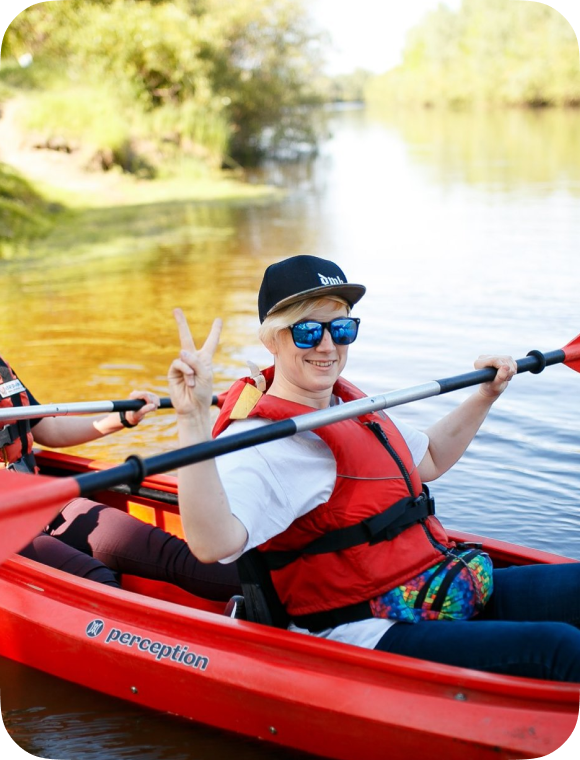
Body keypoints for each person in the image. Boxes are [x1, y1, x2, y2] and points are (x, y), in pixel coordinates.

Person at [167, 254, 580, 682]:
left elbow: (431, 458)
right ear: (272, 340)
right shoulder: (261, 442)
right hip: (364, 629)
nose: (328, 346)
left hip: (430, 588)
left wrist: (485, 396)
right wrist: (192, 421)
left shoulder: (348, 406)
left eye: (341, 328)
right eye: (307, 331)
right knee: (561, 650)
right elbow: (211, 544)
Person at [0, 353, 239, 601]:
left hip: (41, 500)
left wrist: (122, 417)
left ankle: (275, 605)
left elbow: (51, 430)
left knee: (171, 553)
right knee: (98, 579)